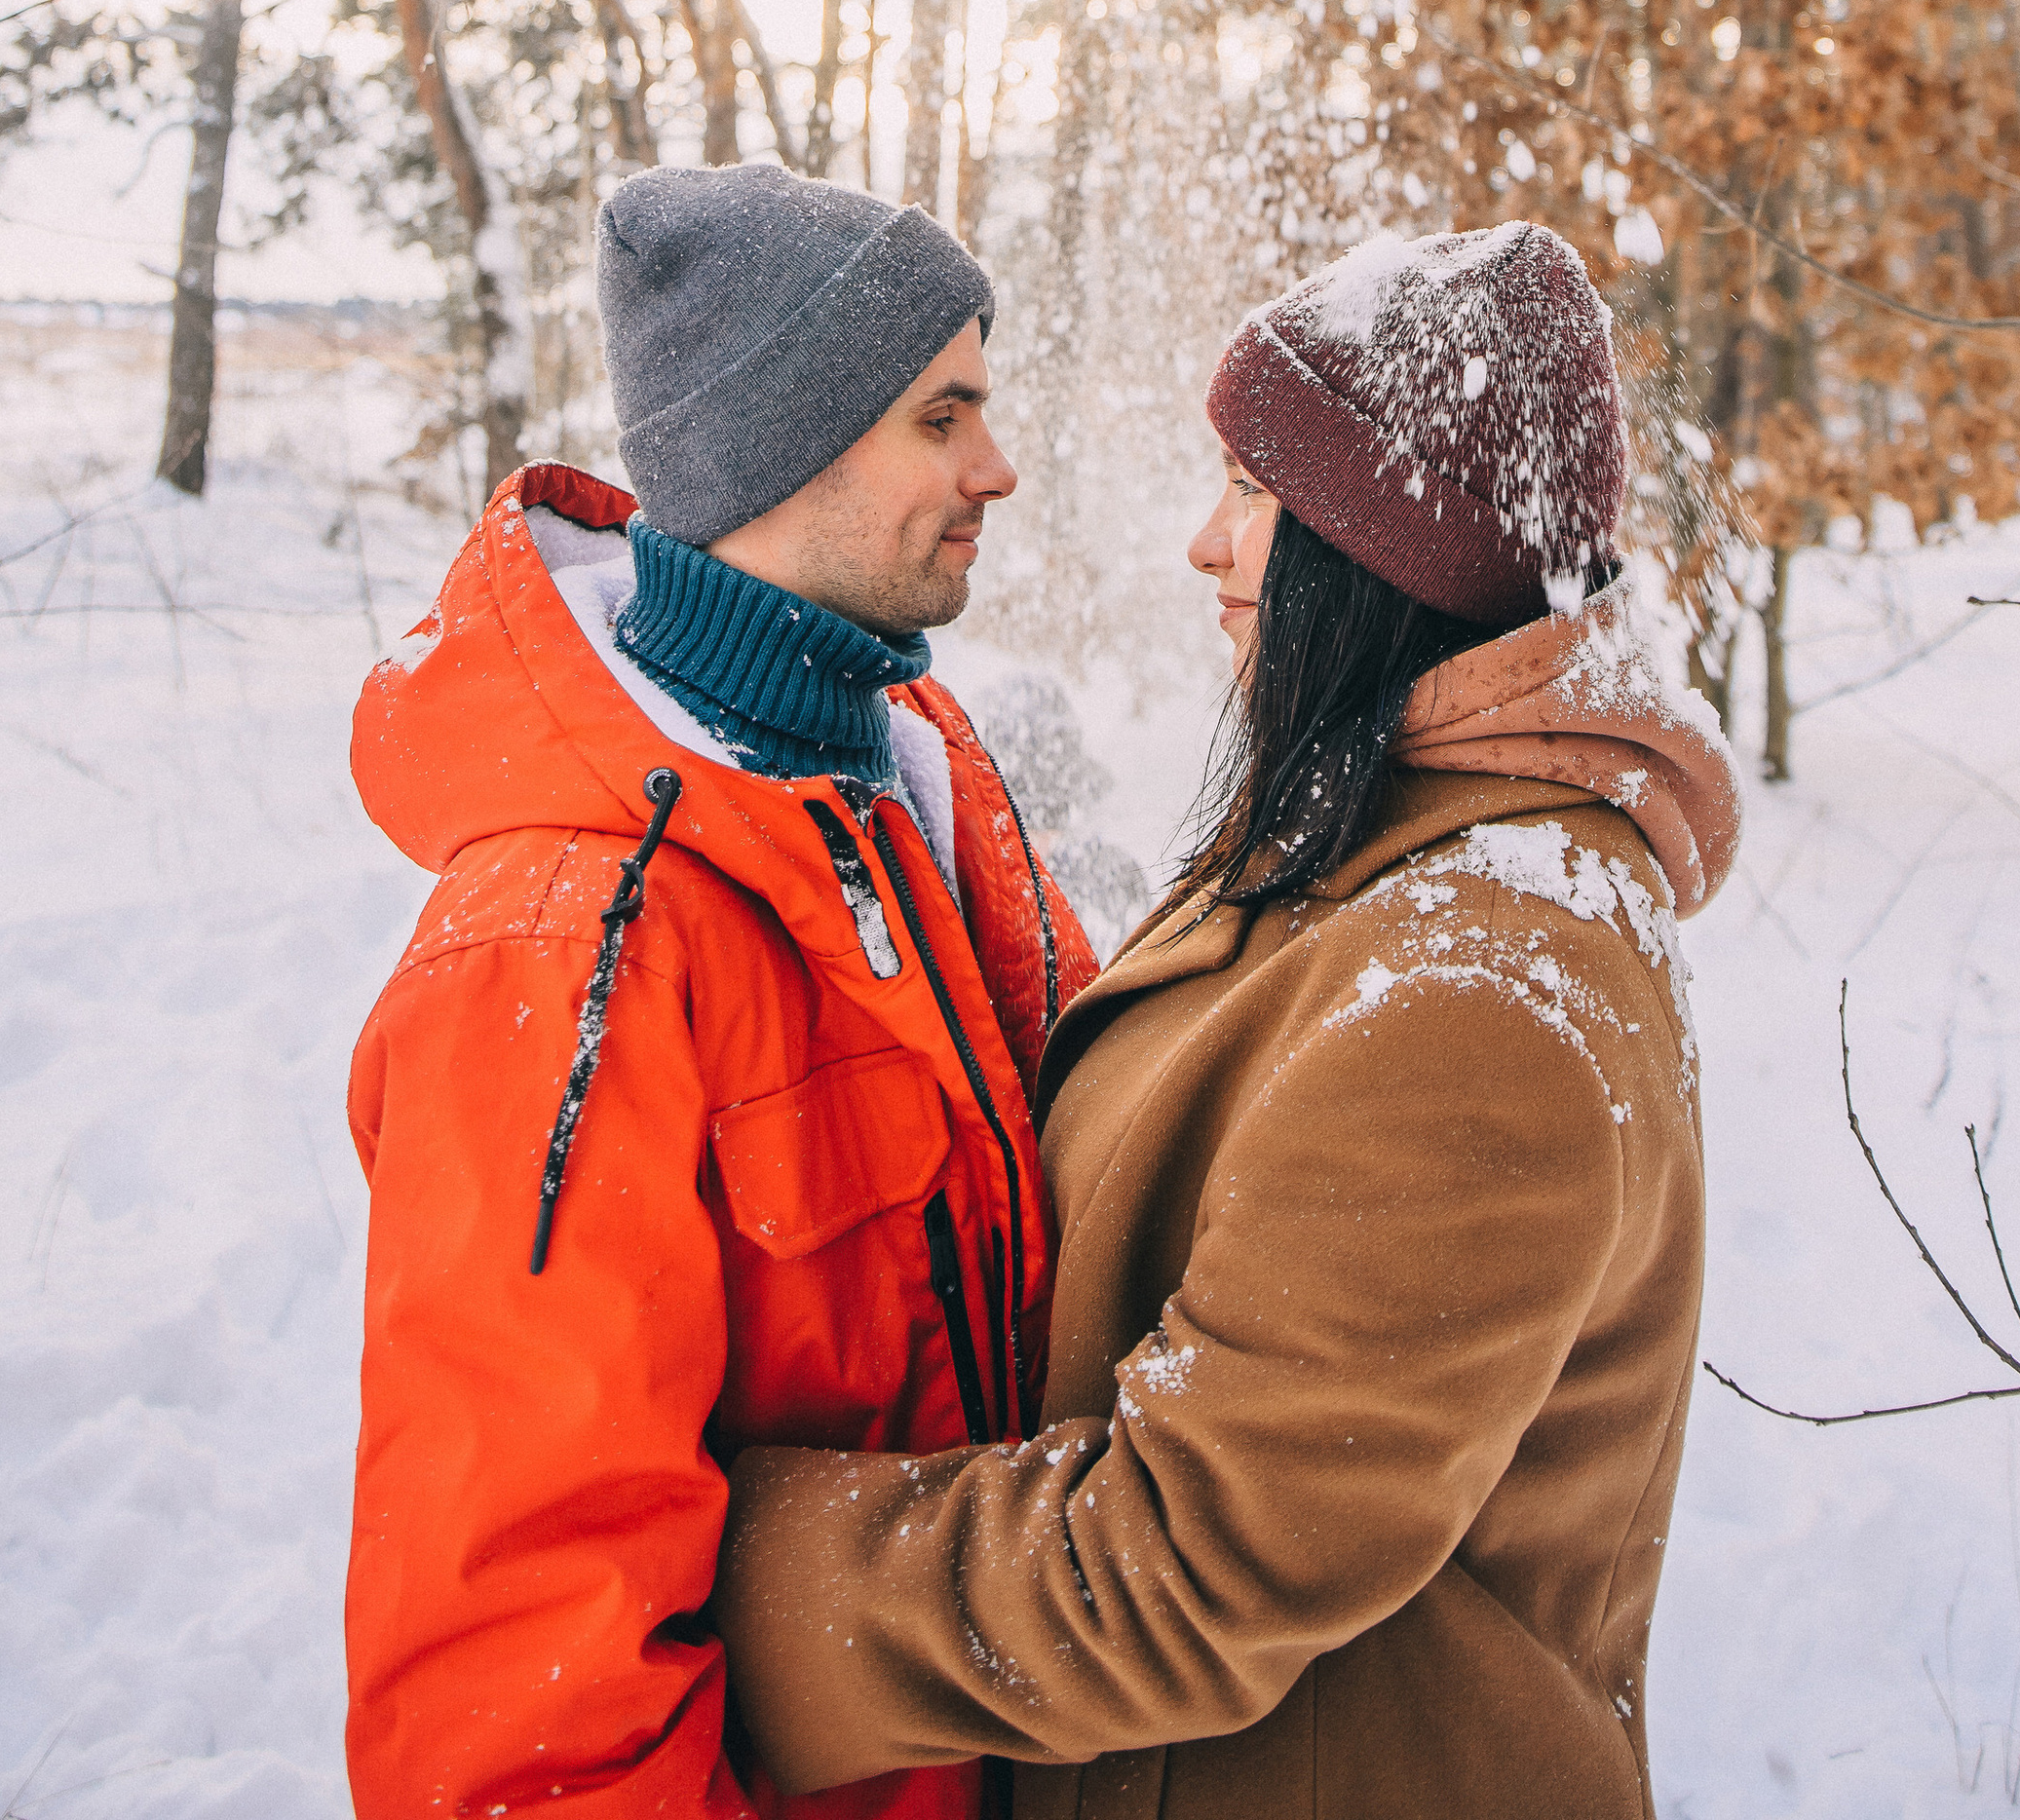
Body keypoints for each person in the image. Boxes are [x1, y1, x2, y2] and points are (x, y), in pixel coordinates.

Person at [709, 218, 1743, 1820]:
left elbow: (1183, 1564)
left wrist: (713, 1573)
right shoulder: (1381, 844)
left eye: (1259, 493)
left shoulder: (1477, 988)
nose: (1210, 543)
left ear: (1388, 551)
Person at [342, 159, 1093, 1820]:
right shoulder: (561, 944)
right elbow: (523, 1664)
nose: (999, 467)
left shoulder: (915, 785)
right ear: (787, 443)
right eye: (941, 416)